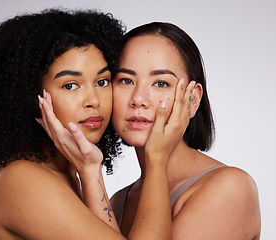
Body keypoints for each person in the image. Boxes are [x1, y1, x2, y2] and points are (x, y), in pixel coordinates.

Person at [0, 9, 195, 239]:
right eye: (70, 85)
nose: (94, 101)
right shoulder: (24, 180)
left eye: (102, 81)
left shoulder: (64, 175)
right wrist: (156, 159)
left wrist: (90, 171)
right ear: (30, 96)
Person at [110, 22, 261, 239]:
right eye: (126, 80)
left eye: (161, 83)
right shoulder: (118, 201)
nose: (139, 99)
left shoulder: (230, 189)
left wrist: (157, 158)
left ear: (193, 99)